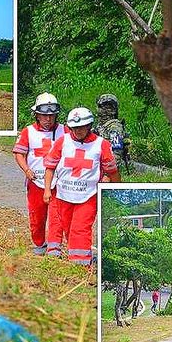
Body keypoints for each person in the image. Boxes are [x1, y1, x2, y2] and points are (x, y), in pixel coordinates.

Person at [43, 107, 120, 266]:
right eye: (75, 127)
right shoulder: (62, 141)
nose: (78, 131)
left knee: (80, 229)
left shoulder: (101, 145)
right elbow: (50, 167)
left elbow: (112, 171)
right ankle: (76, 259)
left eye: (82, 127)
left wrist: (117, 187)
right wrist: (47, 189)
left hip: (88, 196)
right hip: (63, 195)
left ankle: (81, 266)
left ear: (89, 126)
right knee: (69, 229)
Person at [13, 93, 67, 256]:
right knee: (37, 216)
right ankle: (39, 244)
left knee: (57, 215)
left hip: (58, 182)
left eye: (51, 116)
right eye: (44, 116)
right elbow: (18, 154)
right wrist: (27, 170)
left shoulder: (65, 131)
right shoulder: (28, 132)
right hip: (35, 182)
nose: (48, 119)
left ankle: (54, 247)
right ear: (37, 115)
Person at [94, 94, 130, 173]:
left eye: (108, 107)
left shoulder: (114, 127)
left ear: (114, 110)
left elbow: (116, 153)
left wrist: (108, 172)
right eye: (101, 106)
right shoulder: (100, 126)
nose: (104, 110)